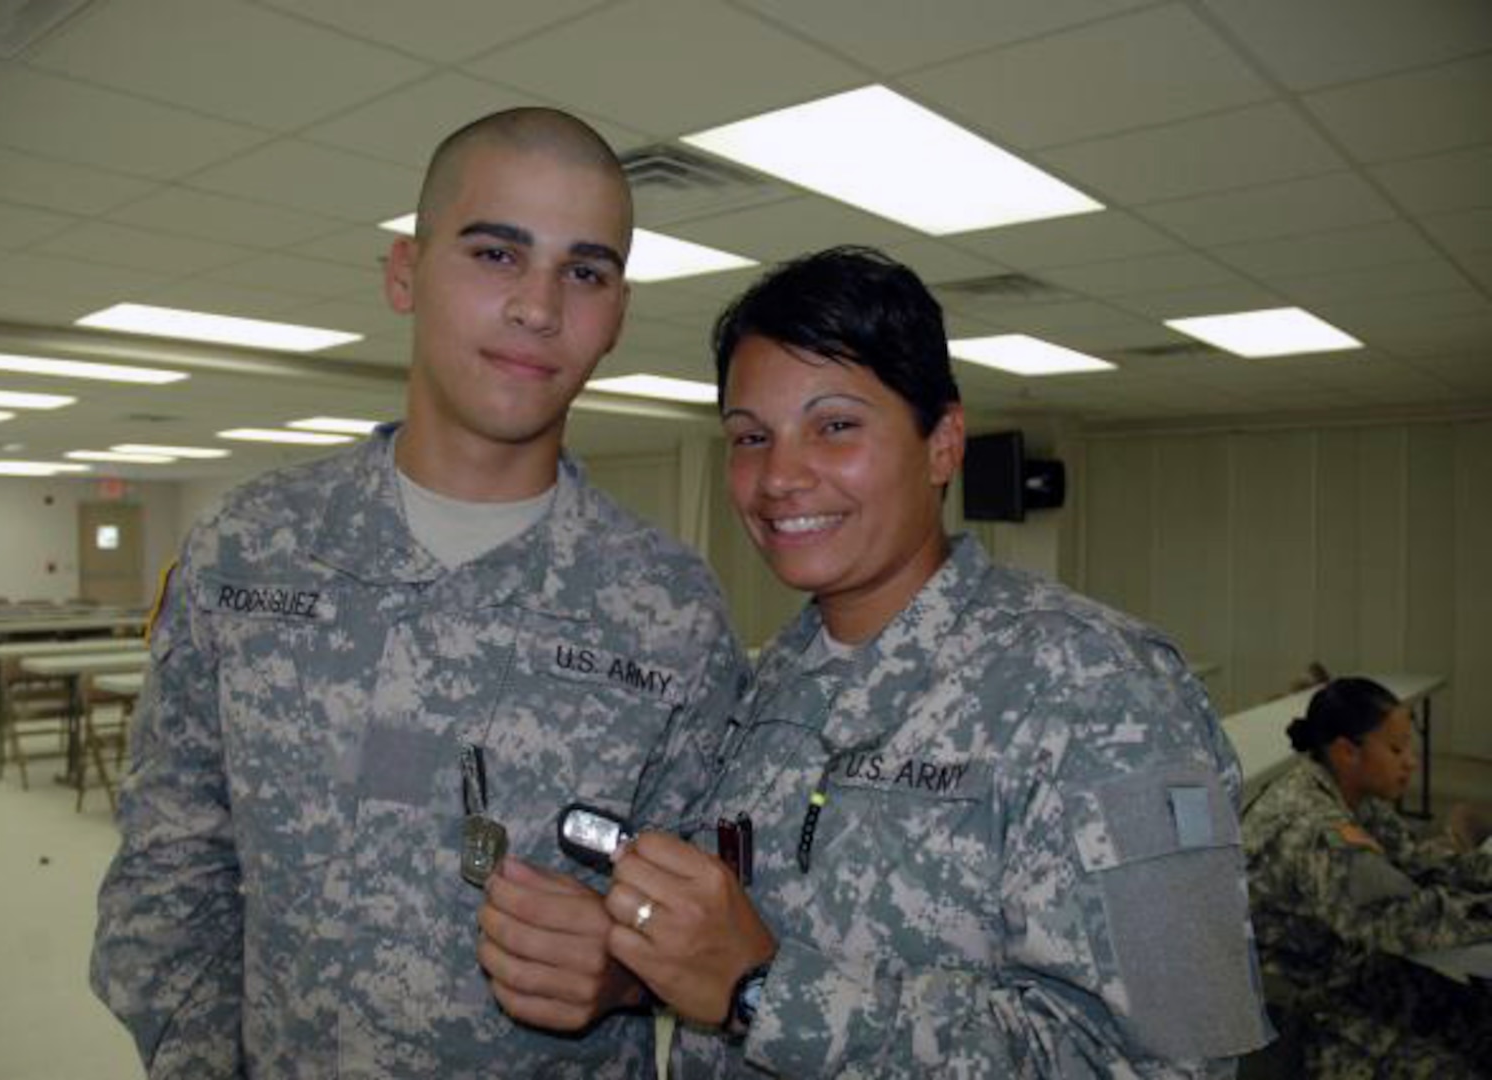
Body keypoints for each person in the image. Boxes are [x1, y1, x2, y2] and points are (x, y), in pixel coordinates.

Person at [483, 247, 1272, 1076]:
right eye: (751, 437)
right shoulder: (774, 680)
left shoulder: (1100, 686)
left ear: (943, 444)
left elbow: (1167, 1062)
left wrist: (765, 993)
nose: (780, 476)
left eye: (835, 426)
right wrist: (635, 967)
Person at [90, 107, 746, 1079]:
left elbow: (714, 929)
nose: (538, 306)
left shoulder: (671, 612)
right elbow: (169, 868)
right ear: (405, 272)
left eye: (585, 271)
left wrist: (625, 975)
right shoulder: (254, 552)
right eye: (495, 253)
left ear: (618, 313)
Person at [1243, 676, 1492, 1078]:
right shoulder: (1315, 829)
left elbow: (1419, 862)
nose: (1411, 761)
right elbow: (1401, 920)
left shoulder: (1346, 791)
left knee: (1482, 1018)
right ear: (1347, 751)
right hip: (1300, 1012)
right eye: (1396, 749)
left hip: (1348, 971)